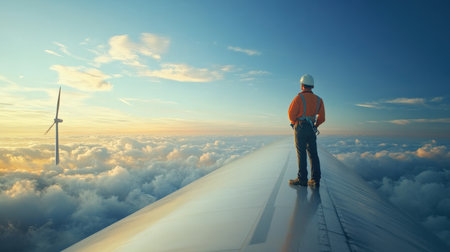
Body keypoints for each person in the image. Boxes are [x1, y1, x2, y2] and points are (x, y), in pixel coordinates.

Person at [288, 74, 325, 187]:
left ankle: (302, 179)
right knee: (313, 154)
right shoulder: (319, 100)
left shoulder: (299, 98)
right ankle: (315, 180)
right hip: (311, 128)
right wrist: (315, 125)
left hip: (300, 127)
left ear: (302, 86)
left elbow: (291, 114)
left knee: (301, 154)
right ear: (312, 86)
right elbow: (322, 118)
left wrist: (295, 124)